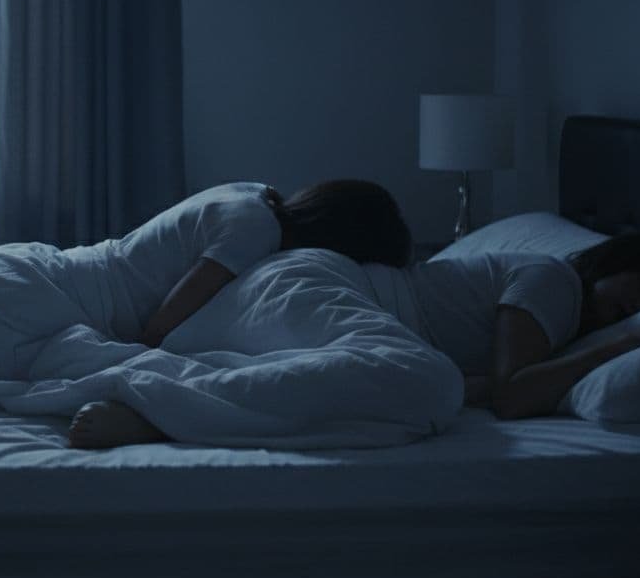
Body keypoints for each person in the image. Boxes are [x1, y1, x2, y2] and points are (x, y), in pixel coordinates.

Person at [70, 230, 640, 448]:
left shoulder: (559, 322)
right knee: (428, 386)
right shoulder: (555, 279)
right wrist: (638, 336)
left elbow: (504, 388)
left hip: (293, 300)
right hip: (321, 290)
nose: (635, 307)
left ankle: (150, 395)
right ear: (613, 262)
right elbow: (515, 398)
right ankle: (156, 417)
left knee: (420, 385)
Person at [66, 179, 411, 447]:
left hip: (69, 272)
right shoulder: (256, 233)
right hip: (73, 296)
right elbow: (157, 331)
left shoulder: (256, 195)